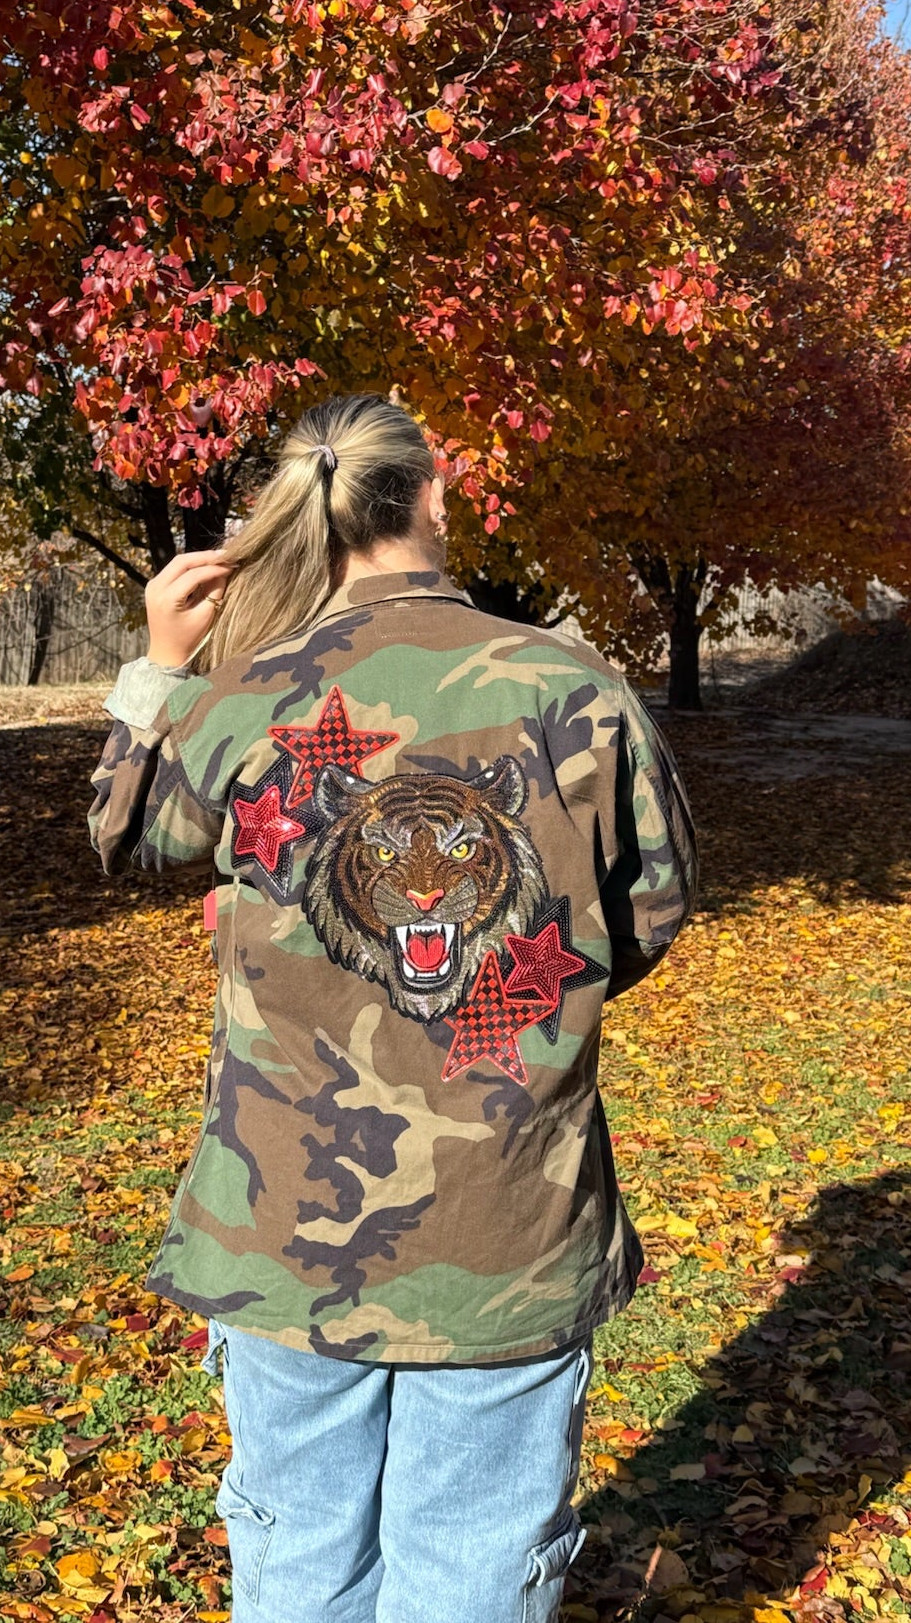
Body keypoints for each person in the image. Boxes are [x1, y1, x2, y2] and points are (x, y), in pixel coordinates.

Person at [88, 393, 696, 1623]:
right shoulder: (575, 684)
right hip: (507, 1220)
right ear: (436, 493)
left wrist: (158, 666)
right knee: (474, 1563)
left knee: (300, 1556)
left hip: (283, 1220)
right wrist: (519, 987)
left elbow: (127, 829)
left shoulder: (246, 693)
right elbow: (654, 903)